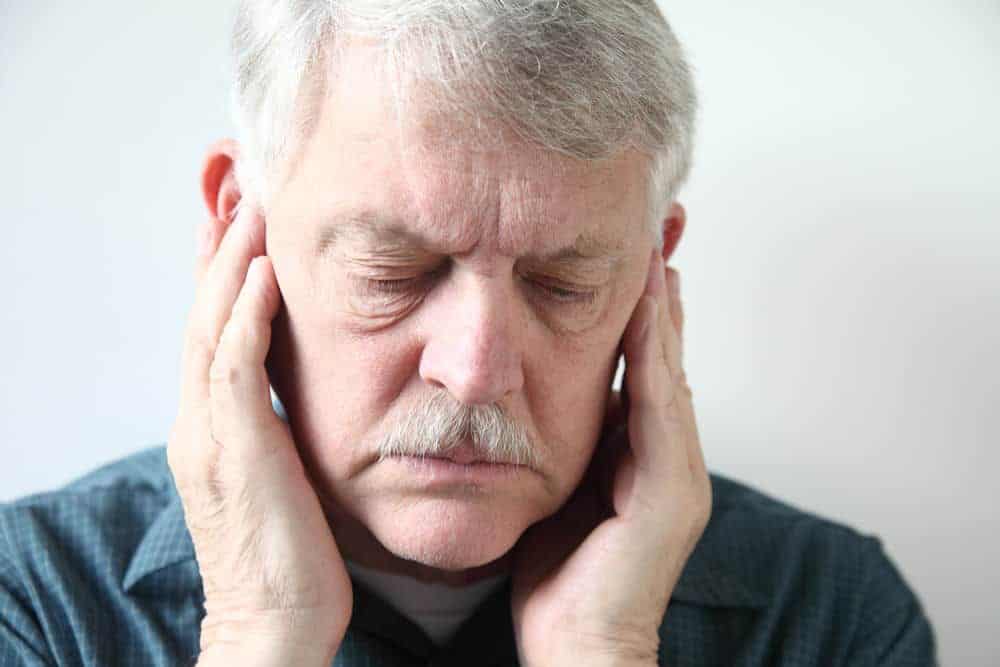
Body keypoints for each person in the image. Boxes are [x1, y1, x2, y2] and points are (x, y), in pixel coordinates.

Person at [0, 2, 937, 665]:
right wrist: (260, 635)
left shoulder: (829, 613)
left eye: (563, 282)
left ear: (654, 268)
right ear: (241, 224)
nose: (477, 369)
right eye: (392, 273)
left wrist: (605, 654)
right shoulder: (37, 601)